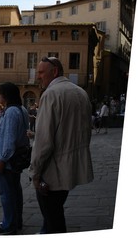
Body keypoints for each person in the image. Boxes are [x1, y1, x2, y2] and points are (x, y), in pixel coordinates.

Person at [30, 56, 93, 234]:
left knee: (53, 219)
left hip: (53, 171)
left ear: (55, 71)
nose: (38, 76)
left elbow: (44, 141)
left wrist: (35, 172)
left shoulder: (51, 94)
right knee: (55, 214)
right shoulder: (81, 92)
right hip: (71, 168)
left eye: (41, 72)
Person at [0, 82, 29, 235]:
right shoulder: (21, 109)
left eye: (0, 94)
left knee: (7, 194)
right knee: (15, 192)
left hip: (8, 162)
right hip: (16, 160)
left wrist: (1, 161)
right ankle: (16, 221)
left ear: (6, 96)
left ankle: (9, 225)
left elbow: (9, 139)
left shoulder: (11, 112)